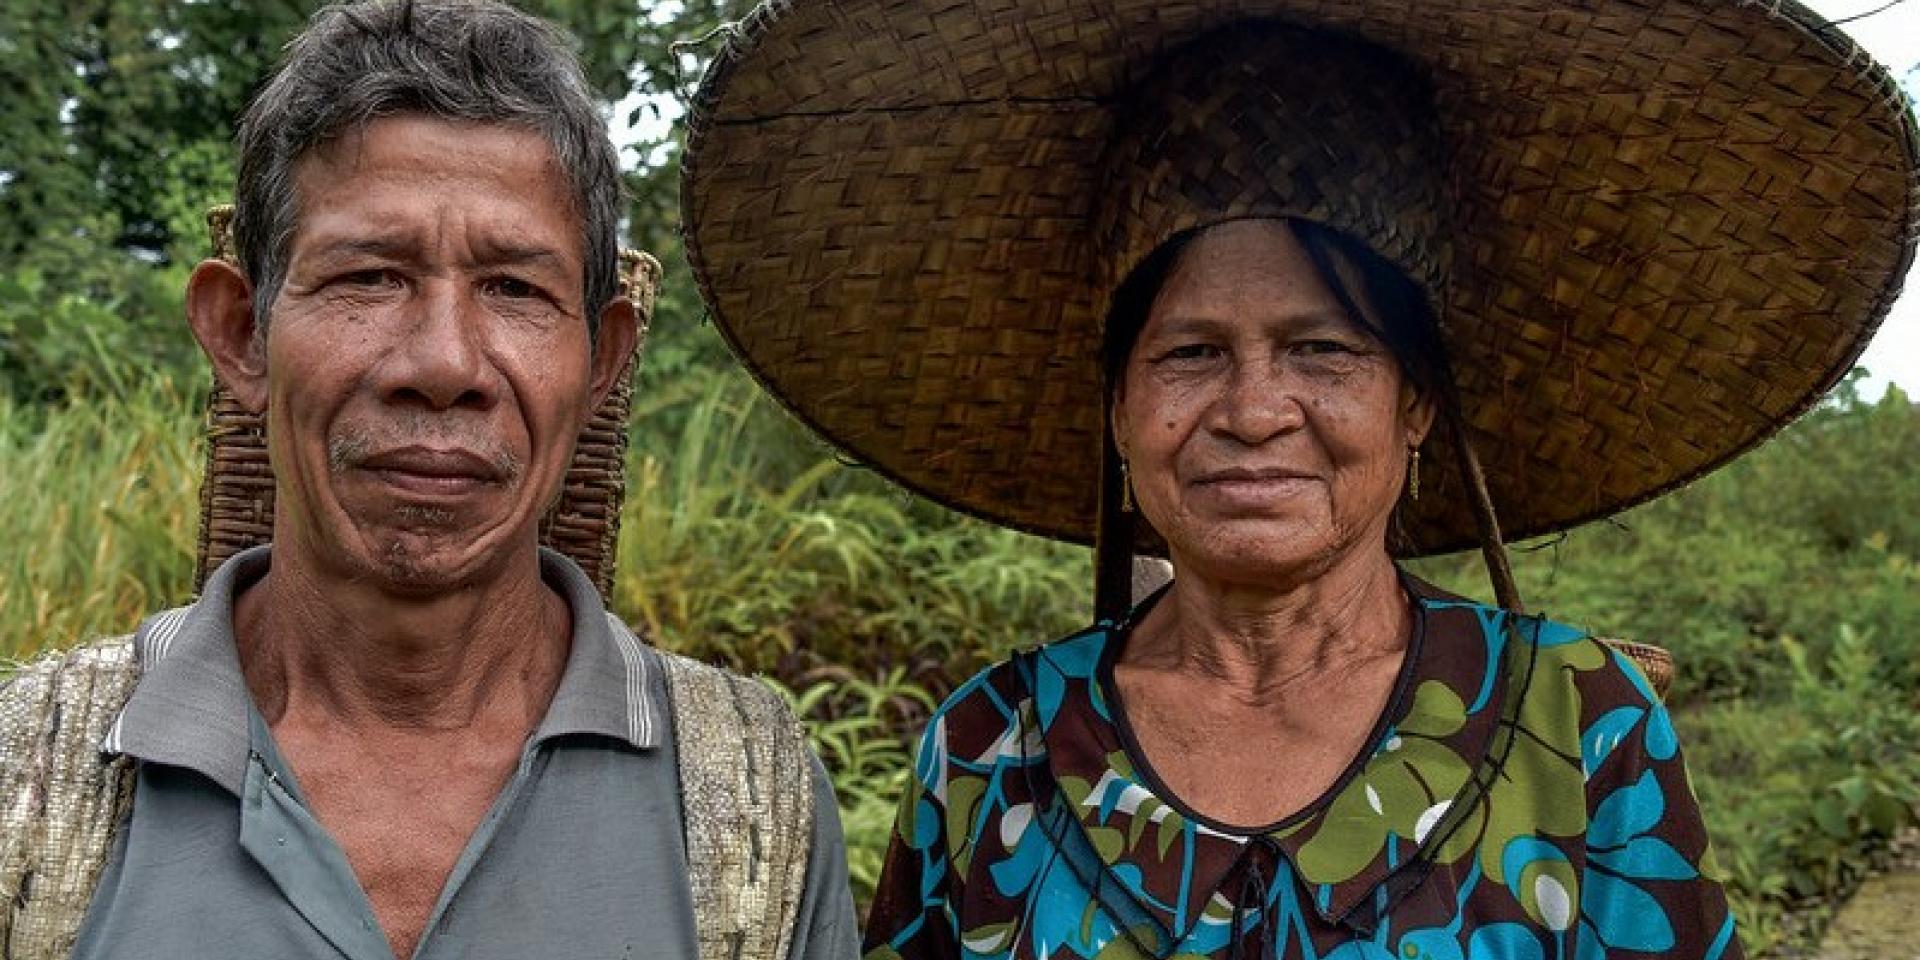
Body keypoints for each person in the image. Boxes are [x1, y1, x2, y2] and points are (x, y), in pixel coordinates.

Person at [680, 0, 1918, 957]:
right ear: (1120, 410)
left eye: (1322, 349)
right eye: (1191, 354)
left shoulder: (1585, 728)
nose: (1255, 411)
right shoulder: (985, 753)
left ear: (1415, 403)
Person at [0, 2, 860, 958]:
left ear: (603, 363)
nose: (445, 363)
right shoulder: (26, 784)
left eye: (515, 289)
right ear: (242, 335)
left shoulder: (752, 801)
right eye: (369, 276)